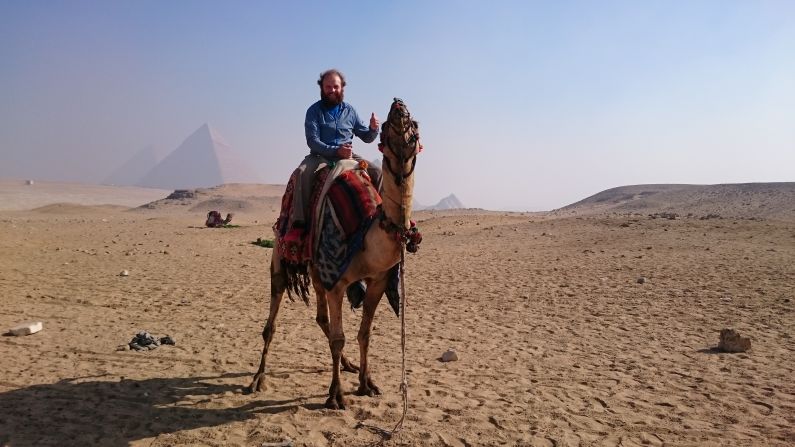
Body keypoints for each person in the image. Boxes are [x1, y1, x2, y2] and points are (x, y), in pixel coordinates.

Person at [290, 69, 382, 230]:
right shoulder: (314, 111)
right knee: (302, 173)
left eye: (335, 86)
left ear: (342, 88)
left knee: (378, 172)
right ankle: (299, 222)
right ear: (322, 88)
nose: (332, 90)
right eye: (328, 87)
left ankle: (383, 217)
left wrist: (373, 129)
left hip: (348, 156)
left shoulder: (350, 111)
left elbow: (366, 137)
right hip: (320, 156)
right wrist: (336, 151)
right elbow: (312, 141)